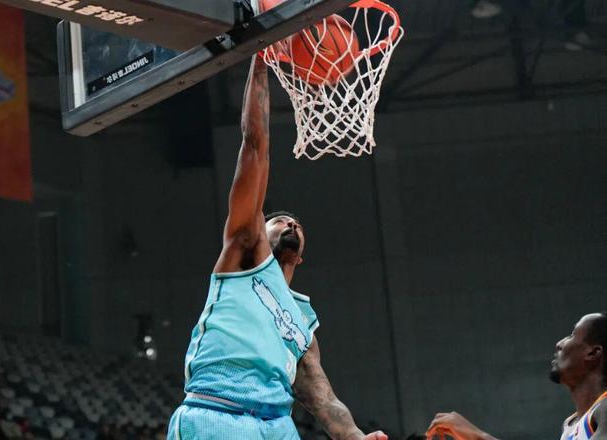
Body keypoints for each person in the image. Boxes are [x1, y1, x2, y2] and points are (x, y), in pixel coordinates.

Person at [165, 55, 387, 440]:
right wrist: (261, 59)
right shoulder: (244, 255)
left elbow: (321, 396)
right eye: (278, 220)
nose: (290, 223)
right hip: (219, 411)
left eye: (296, 224)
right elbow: (254, 146)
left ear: (300, 256)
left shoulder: (304, 322)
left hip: (277, 425)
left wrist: (354, 435)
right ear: (259, 232)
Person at [426, 312, 607, 440]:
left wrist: (479, 436)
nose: (560, 343)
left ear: (593, 353)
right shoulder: (571, 424)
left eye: (572, 335)